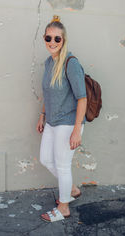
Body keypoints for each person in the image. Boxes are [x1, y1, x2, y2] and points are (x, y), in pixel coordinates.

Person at [36, 15, 87, 222]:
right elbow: (48, 93)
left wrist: (76, 130)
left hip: (68, 123)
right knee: (46, 159)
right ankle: (72, 189)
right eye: (49, 38)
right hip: (51, 122)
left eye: (57, 39)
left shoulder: (71, 63)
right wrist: (42, 115)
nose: (52, 42)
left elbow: (82, 98)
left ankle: (64, 207)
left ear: (63, 40)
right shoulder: (49, 62)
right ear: (44, 39)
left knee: (63, 165)